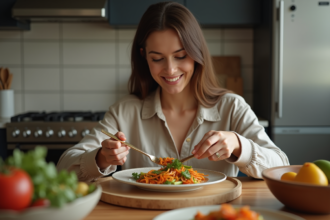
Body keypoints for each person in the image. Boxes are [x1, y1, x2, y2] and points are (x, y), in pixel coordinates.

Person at [57, 1, 289, 182]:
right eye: (157, 58)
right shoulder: (124, 112)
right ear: (144, 57)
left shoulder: (232, 107)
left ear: (197, 53)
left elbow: (280, 167)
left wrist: (239, 145)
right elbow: (64, 166)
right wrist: (100, 157)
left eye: (180, 56)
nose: (170, 69)